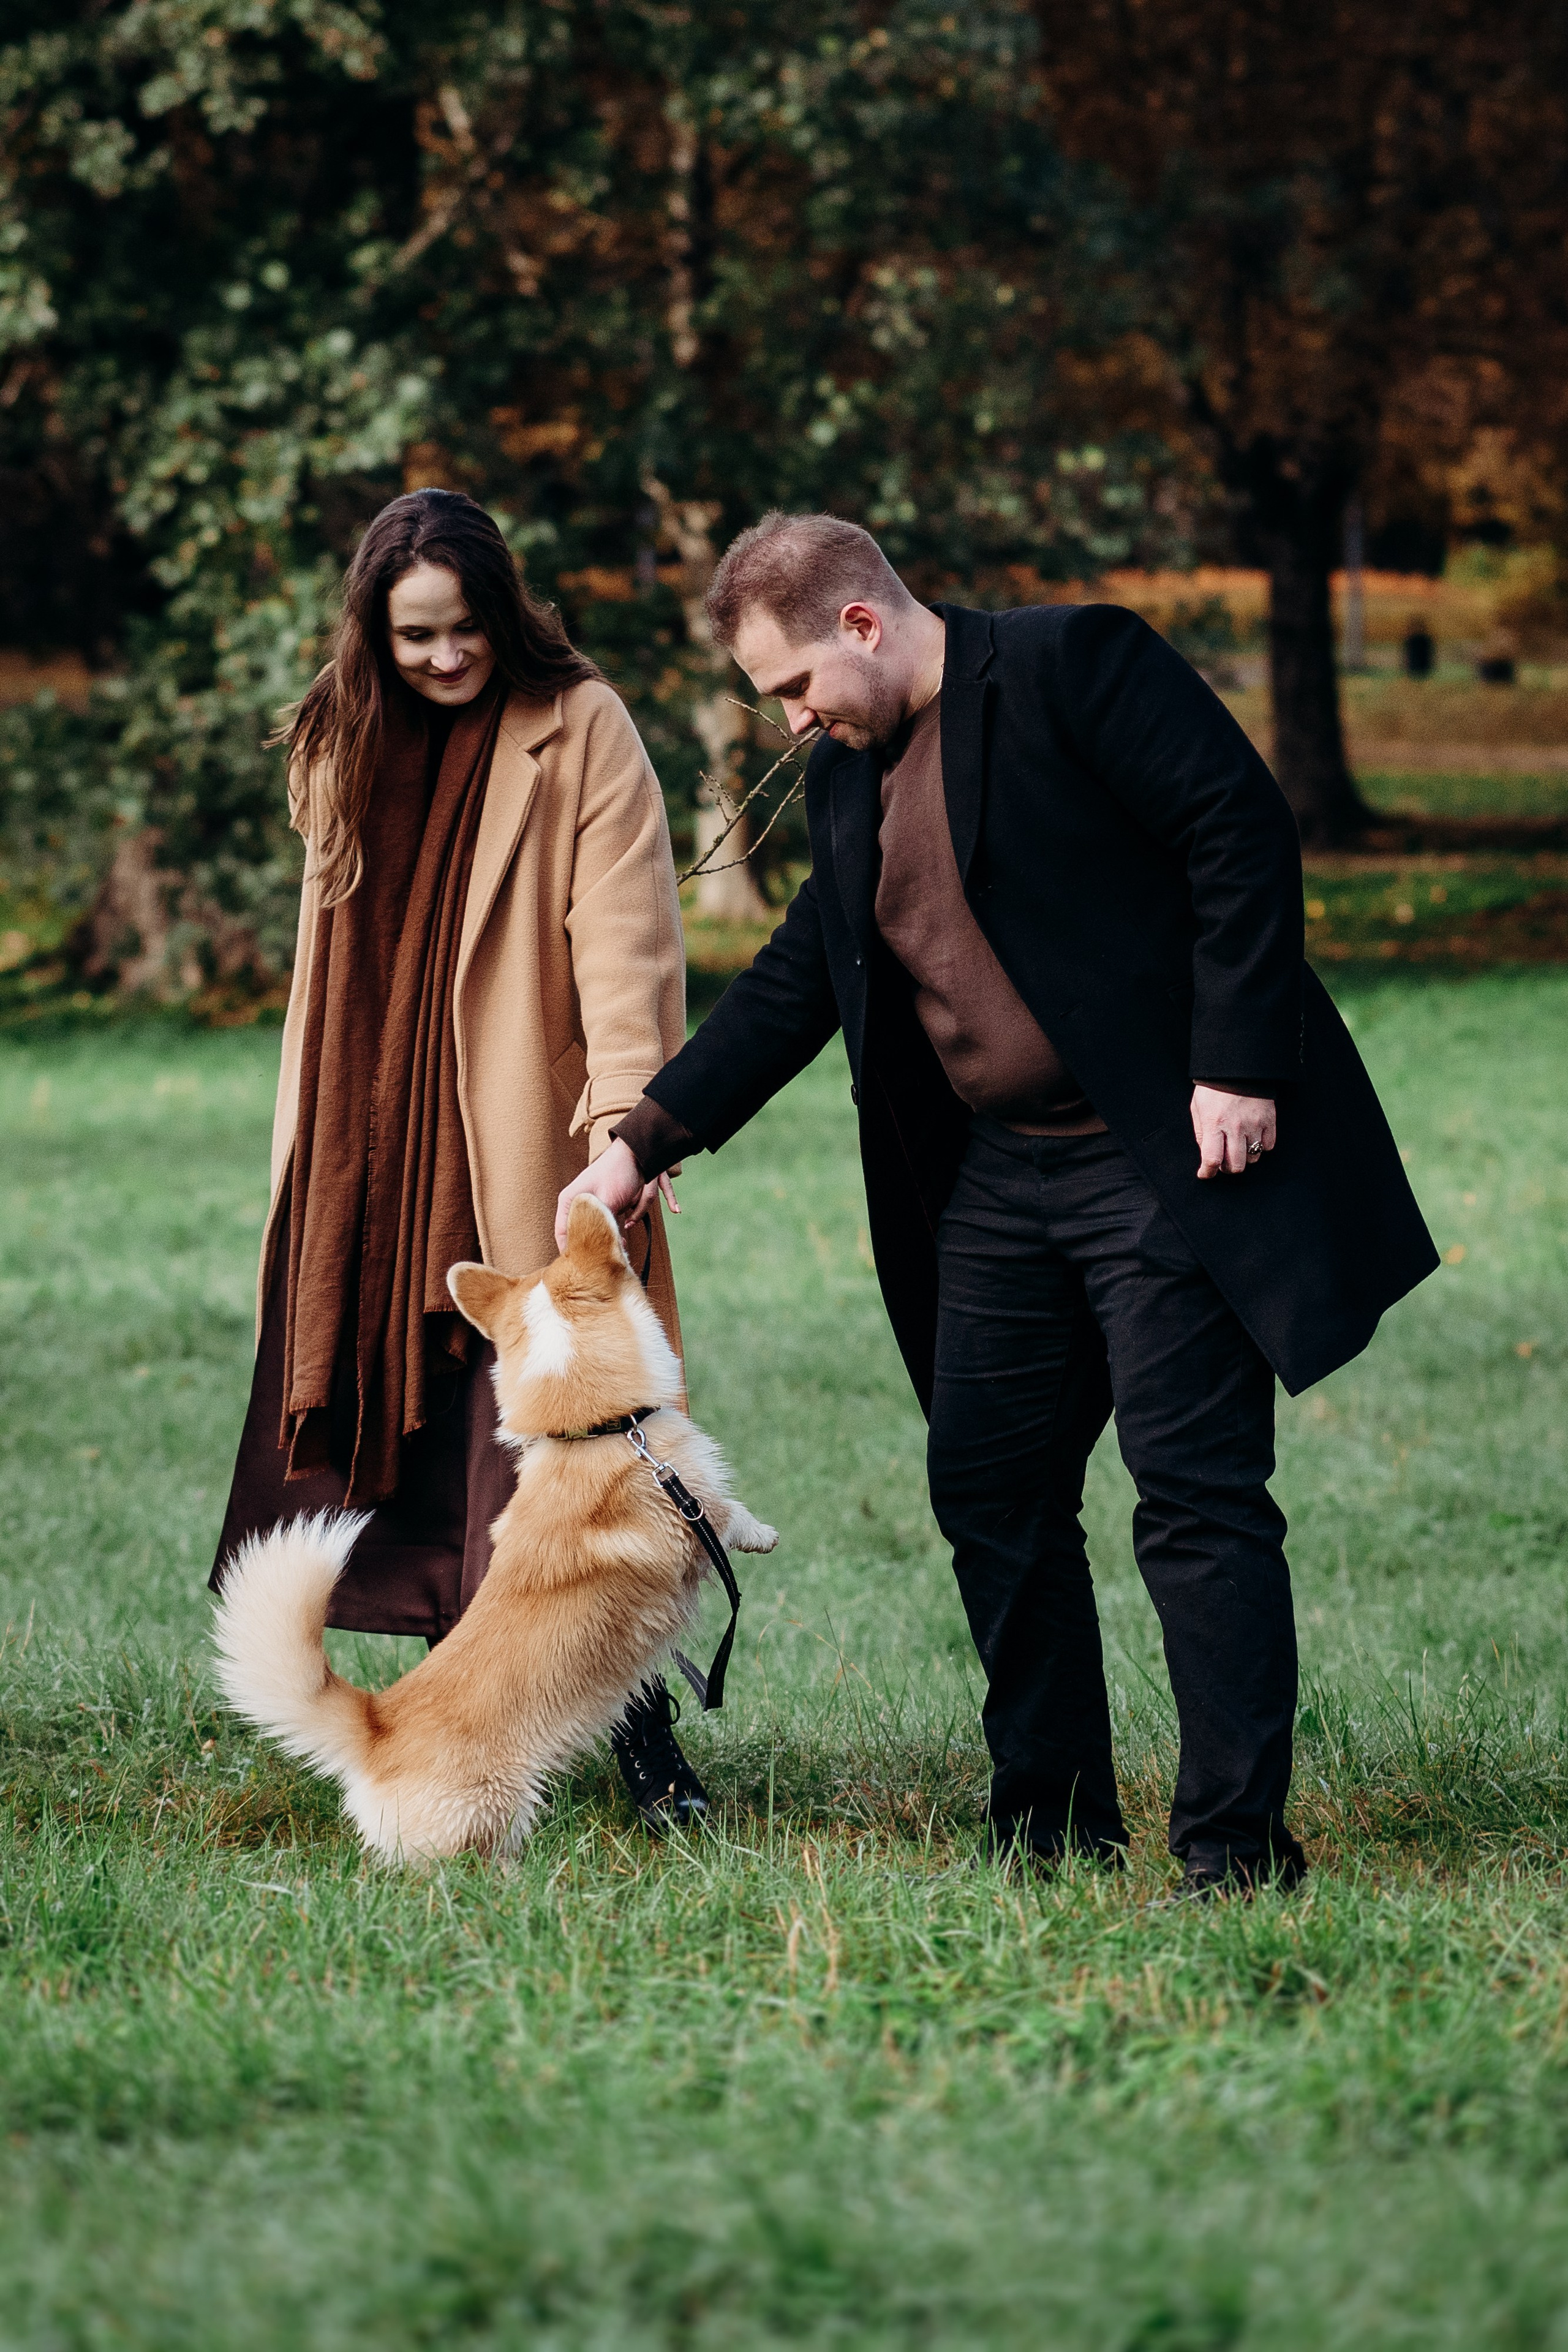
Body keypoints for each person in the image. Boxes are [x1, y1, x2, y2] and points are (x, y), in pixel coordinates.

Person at [560, 511, 1439, 1894]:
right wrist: (643, 1139)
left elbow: (1236, 828)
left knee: (1193, 1497)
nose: (791, 722)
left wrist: (1235, 1064)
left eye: (793, 687)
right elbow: (797, 982)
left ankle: (1230, 1852)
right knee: (988, 1487)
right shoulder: (850, 781)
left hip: (1164, 1159)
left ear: (860, 623)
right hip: (995, 1184)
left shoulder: (1069, 666)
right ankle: (1050, 1824)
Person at [211, 488, 707, 1830]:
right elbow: (331, 955)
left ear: (503, 608)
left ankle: (641, 1737)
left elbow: (625, 946)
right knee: (425, 1449)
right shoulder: (339, 733)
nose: (443, 659)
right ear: (373, 636)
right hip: (366, 1155)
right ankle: (458, 1721)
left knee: (574, 1462)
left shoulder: (580, 724)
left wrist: (624, 1125)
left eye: (463, 630)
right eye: (414, 638)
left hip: (522, 1138)